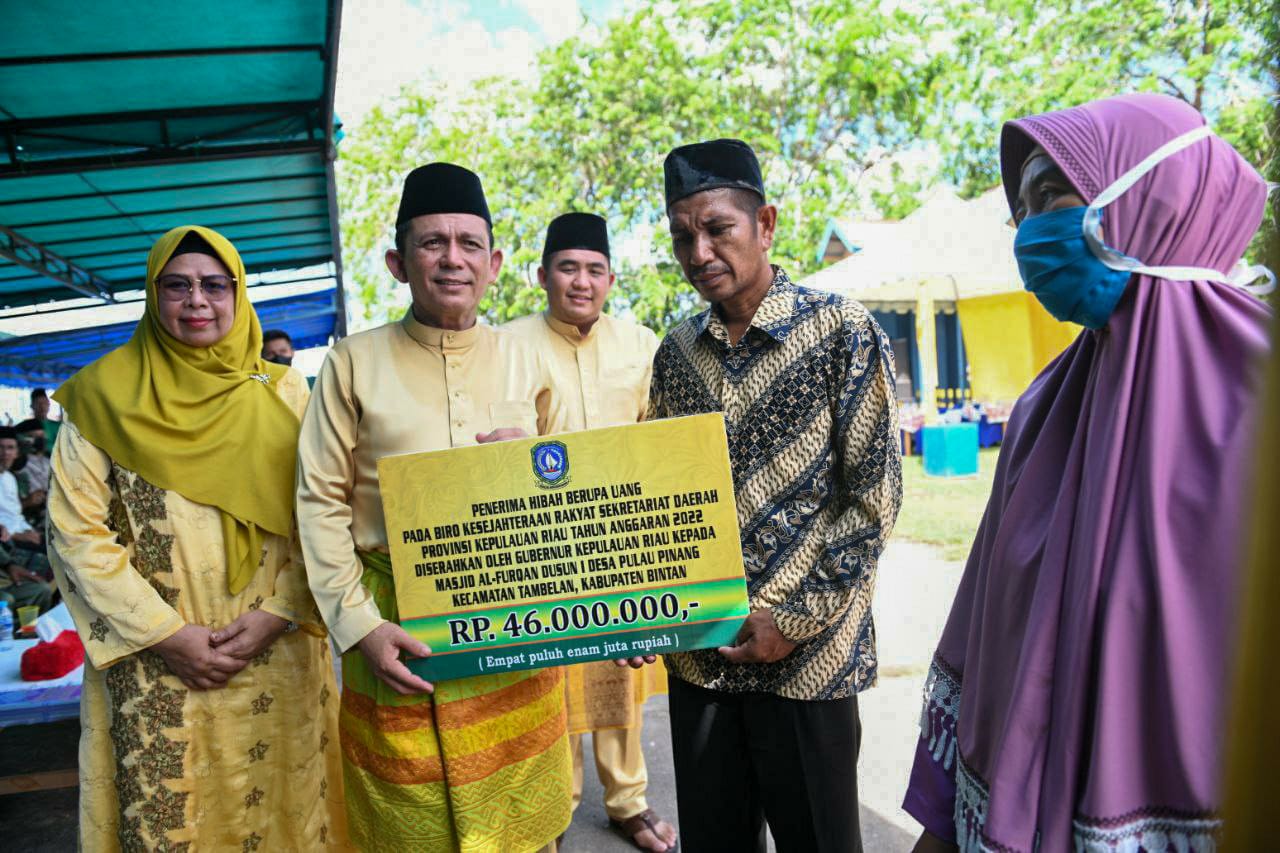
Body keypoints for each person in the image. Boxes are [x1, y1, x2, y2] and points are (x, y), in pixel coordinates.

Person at [904, 94, 1273, 852]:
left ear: (1152, 198)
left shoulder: (1260, 398)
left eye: (1048, 196)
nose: (1029, 234)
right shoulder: (1049, 402)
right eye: (1023, 211)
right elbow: (991, 632)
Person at [297, 163, 573, 852]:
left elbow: (574, 491)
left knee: (524, 825)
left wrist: (539, 469)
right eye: (432, 243)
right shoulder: (351, 363)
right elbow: (320, 501)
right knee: (406, 821)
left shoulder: (529, 362)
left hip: (517, 631)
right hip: (394, 635)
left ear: (495, 262)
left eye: (469, 243)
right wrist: (359, 627)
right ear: (397, 261)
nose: (453, 258)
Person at [45, 225, 349, 850]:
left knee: (288, 815)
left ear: (239, 298)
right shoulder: (101, 397)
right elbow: (75, 530)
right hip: (158, 665)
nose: (197, 301)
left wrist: (284, 612)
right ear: (153, 297)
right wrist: (167, 635)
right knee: (172, 821)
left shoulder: (288, 391)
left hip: (278, 653)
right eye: (177, 286)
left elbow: (328, 511)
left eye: (216, 285)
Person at [643, 138, 902, 852]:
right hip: (702, 659)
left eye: (717, 227)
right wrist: (638, 609)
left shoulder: (840, 331)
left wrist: (792, 617)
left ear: (766, 225)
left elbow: (873, 496)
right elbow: (656, 497)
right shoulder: (676, 353)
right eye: (681, 236)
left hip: (810, 665)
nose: (698, 251)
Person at [504, 213, 676, 853]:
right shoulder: (507, 344)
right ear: (542, 275)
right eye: (568, 268)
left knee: (619, 678)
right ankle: (553, 810)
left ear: (611, 278)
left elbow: (660, 435)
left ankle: (628, 801)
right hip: (539, 546)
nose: (581, 281)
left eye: (594, 270)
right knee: (550, 685)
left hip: (625, 542)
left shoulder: (642, 343)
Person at [0, 427, 41, 549]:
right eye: (1, 447)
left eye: (10, 448)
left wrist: (29, 531)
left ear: (17, 453)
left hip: (23, 530)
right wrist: (16, 535)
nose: (5, 452)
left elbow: (15, 514)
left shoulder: (10, 478)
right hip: (7, 541)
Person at [14, 418, 50, 526]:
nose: (40, 440)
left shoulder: (49, 458)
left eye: (41, 436)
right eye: (34, 436)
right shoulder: (15, 463)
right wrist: (28, 502)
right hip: (31, 517)